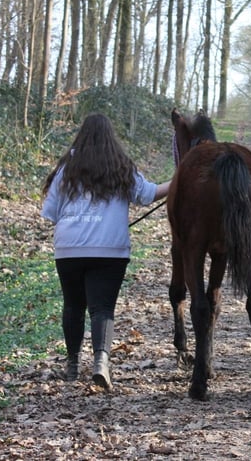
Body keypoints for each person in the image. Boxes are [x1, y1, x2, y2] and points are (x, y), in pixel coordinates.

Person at [41, 113, 170, 390]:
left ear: (81, 135)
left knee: (73, 305)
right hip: (110, 250)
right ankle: (101, 363)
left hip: (69, 249)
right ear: (111, 136)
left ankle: (73, 366)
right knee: (102, 308)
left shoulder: (66, 167)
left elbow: (50, 212)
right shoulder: (120, 165)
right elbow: (148, 194)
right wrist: (180, 180)